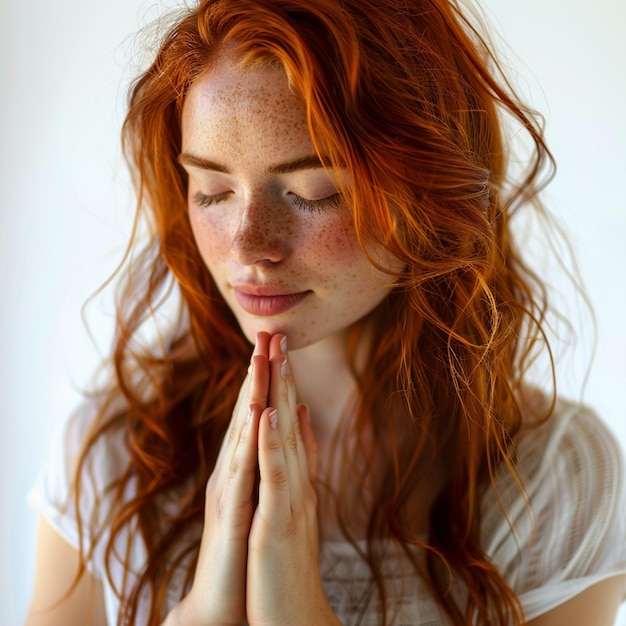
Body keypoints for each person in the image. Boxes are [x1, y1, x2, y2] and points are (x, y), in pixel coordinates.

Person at [24, 0, 626, 624]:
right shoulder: (113, 456)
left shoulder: (555, 478)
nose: (248, 246)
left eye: (315, 194)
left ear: (428, 191)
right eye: (213, 191)